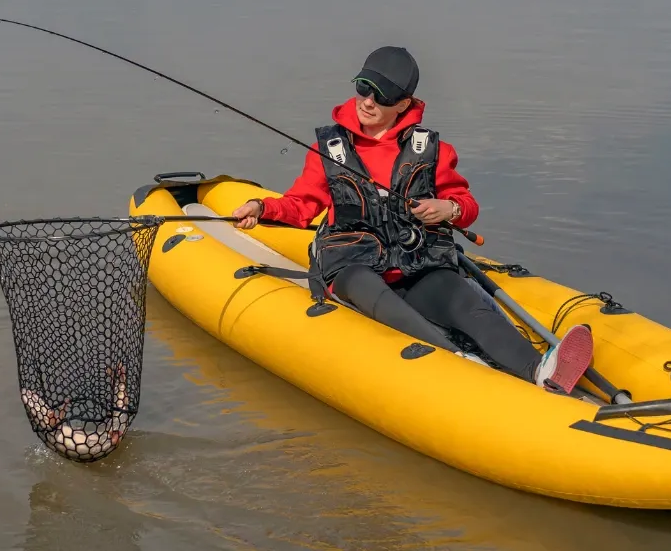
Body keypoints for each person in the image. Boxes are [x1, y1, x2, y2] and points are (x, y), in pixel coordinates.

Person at [231, 46, 594, 394]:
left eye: (382, 96)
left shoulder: (433, 150)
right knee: (364, 285)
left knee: (459, 295)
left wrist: (447, 209)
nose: (368, 101)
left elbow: (466, 205)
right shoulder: (330, 149)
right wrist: (262, 208)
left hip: (415, 265)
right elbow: (302, 205)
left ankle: (539, 369)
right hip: (350, 266)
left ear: (404, 103)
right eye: (363, 88)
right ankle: (459, 362)